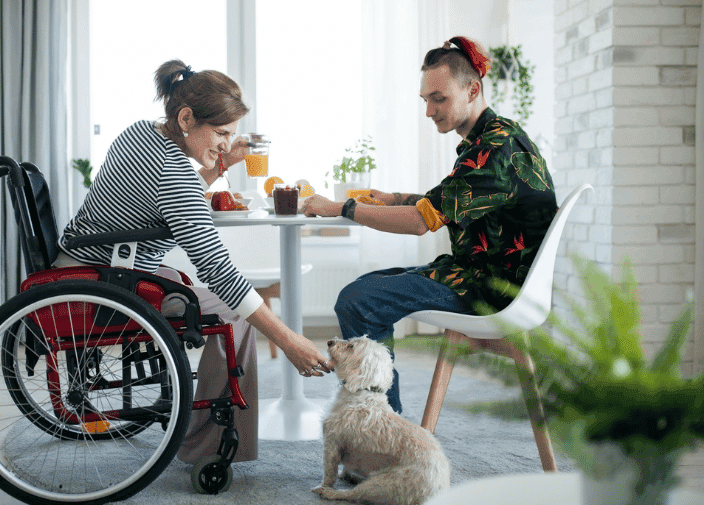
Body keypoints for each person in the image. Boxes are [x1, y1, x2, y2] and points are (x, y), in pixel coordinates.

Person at [55, 60, 332, 463]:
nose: (226, 143)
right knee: (235, 314)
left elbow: (167, 199)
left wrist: (221, 162)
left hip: (83, 263)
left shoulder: (142, 133)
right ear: (186, 118)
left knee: (215, 297)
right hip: (107, 284)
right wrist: (288, 340)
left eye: (232, 135)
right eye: (221, 133)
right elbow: (217, 268)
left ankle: (205, 433)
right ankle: (205, 448)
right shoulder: (173, 171)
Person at [302, 37, 557, 413]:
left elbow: (423, 222)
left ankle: (382, 427)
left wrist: (340, 207)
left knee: (360, 300)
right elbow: (444, 203)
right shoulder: (495, 136)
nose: (429, 111)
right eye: (425, 100)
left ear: (472, 89)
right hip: (478, 274)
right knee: (361, 291)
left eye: (439, 98)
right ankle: (382, 419)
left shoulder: (495, 149)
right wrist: (394, 198)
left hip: (491, 290)